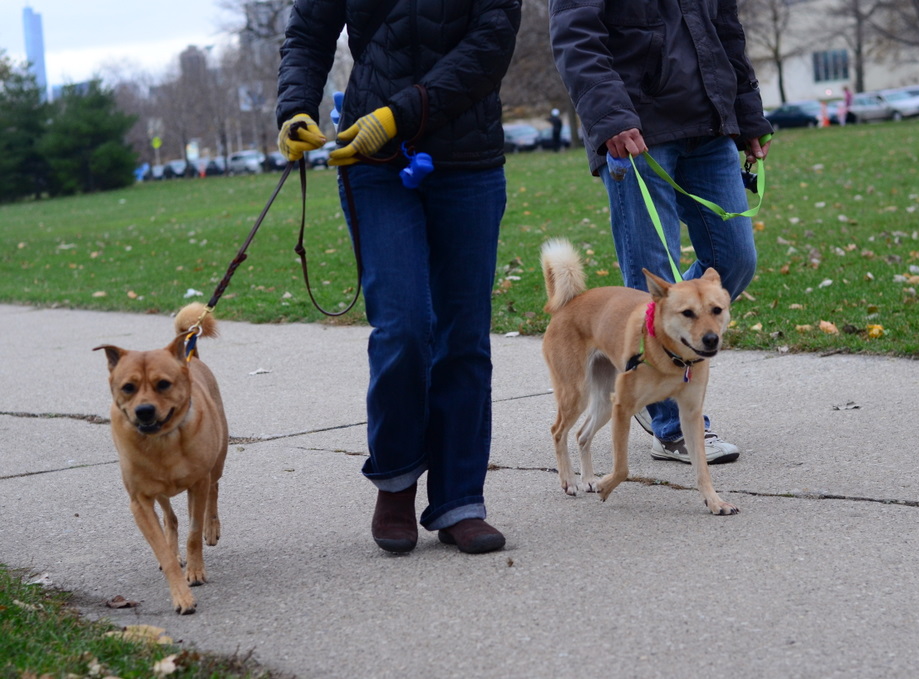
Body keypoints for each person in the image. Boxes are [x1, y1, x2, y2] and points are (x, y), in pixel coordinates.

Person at [276, 0, 522, 555]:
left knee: (463, 336)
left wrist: (400, 115)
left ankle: (461, 500)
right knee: (403, 326)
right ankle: (395, 482)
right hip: (373, 163)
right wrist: (294, 108)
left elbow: (490, 44)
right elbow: (310, 33)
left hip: (467, 158)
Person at [549, 0, 773, 465]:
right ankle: (670, 424)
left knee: (735, 259)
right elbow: (575, 34)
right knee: (650, 275)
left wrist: (748, 115)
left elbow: (726, 31)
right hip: (637, 131)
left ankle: (655, 358)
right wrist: (611, 116)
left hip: (710, 126)